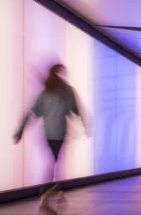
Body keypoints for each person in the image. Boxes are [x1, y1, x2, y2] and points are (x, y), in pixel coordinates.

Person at [13, 64, 88, 213]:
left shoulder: (46, 93)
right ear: (60, 74)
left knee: (55, 161)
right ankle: (47, 190)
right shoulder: (66, 91)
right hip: (60, 133)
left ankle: (57, 191)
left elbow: (31, 113)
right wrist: (85, 123)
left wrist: (20, 130)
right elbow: (76, 109)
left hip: (48, 134)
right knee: (55, 161)